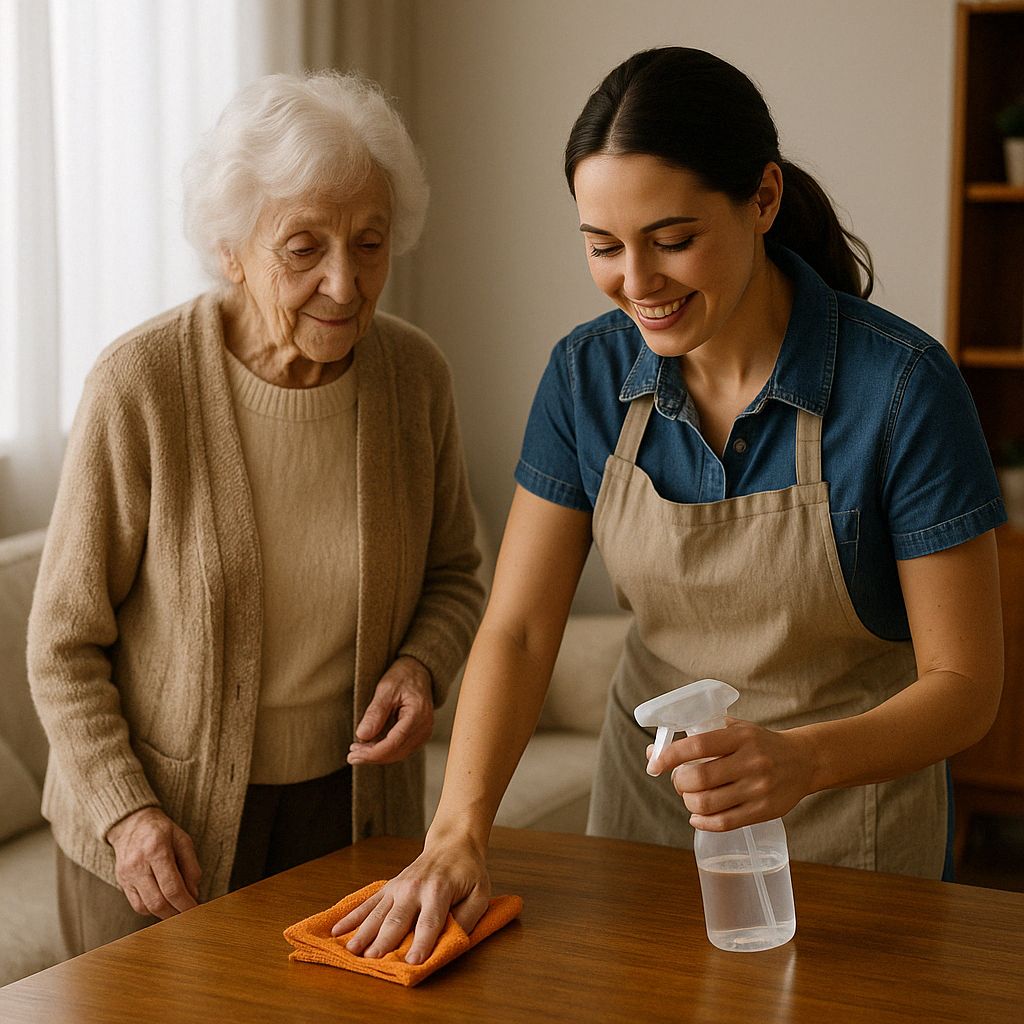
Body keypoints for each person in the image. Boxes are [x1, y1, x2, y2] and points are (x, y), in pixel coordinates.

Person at [332, 46, 1006, 964]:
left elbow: (966, 688)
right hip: (644, 831)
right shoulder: (586, 375)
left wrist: (803, 760)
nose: (637, 282)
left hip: (854, 836)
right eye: (603, 247)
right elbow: (520, 630)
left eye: (673, 239)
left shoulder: (901, 389)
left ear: (762, 198)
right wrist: (456, 832)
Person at [27, 71, 484, 956]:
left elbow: (456, 574)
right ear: (231, 250)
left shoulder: (415, 378)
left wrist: (422, 667)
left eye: (370, 243)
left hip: (351, 819)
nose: (344, 284)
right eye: (304, 248)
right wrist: (127, 815)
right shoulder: (141, 385)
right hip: (160, 838)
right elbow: (62, 644)